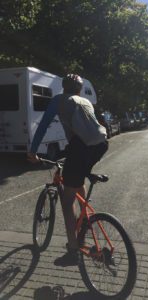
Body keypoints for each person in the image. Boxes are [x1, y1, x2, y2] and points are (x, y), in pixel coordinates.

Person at [27, 74, 108, 265]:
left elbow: (43, 125)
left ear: (63, 88)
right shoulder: (85, 101)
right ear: (79, 90)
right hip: (101, 145)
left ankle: (73, 250)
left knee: (66, 201)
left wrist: (33, 151)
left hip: (79, 147)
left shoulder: (58, 100)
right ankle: (84, 222)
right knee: (76, 181)